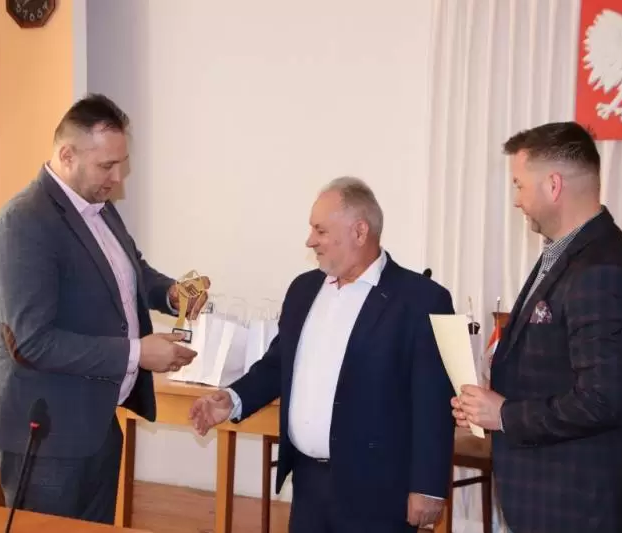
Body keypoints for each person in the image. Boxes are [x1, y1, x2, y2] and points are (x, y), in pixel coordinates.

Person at [0, 93, 209, 524]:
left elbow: (129, 271)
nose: (117, 179)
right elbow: (30, 343)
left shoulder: (99, 210)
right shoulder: (23, 223)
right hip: (46, 435)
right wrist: (138, 352)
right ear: (67, 155)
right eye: (107, 166)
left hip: (96, 422)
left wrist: (170, 293)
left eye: (122, 164)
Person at [189, 177, 455, 533]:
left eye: (320, 230)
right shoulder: (303, 290)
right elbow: (278, 364)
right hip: (309, 487)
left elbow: (432, 402)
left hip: (379, 493)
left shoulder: (422, 300)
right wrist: (233, 398)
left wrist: (428, 487)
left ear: (359, 231)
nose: (310, 241)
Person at [451, 121, 622, 533]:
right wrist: (490, 396)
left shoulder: (601, 269)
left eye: (519, 185)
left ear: (553, 185)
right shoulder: (567, 255)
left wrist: (504, 413)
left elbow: (601, 400)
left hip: (580, 509)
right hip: (550, 502)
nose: (516, 200)